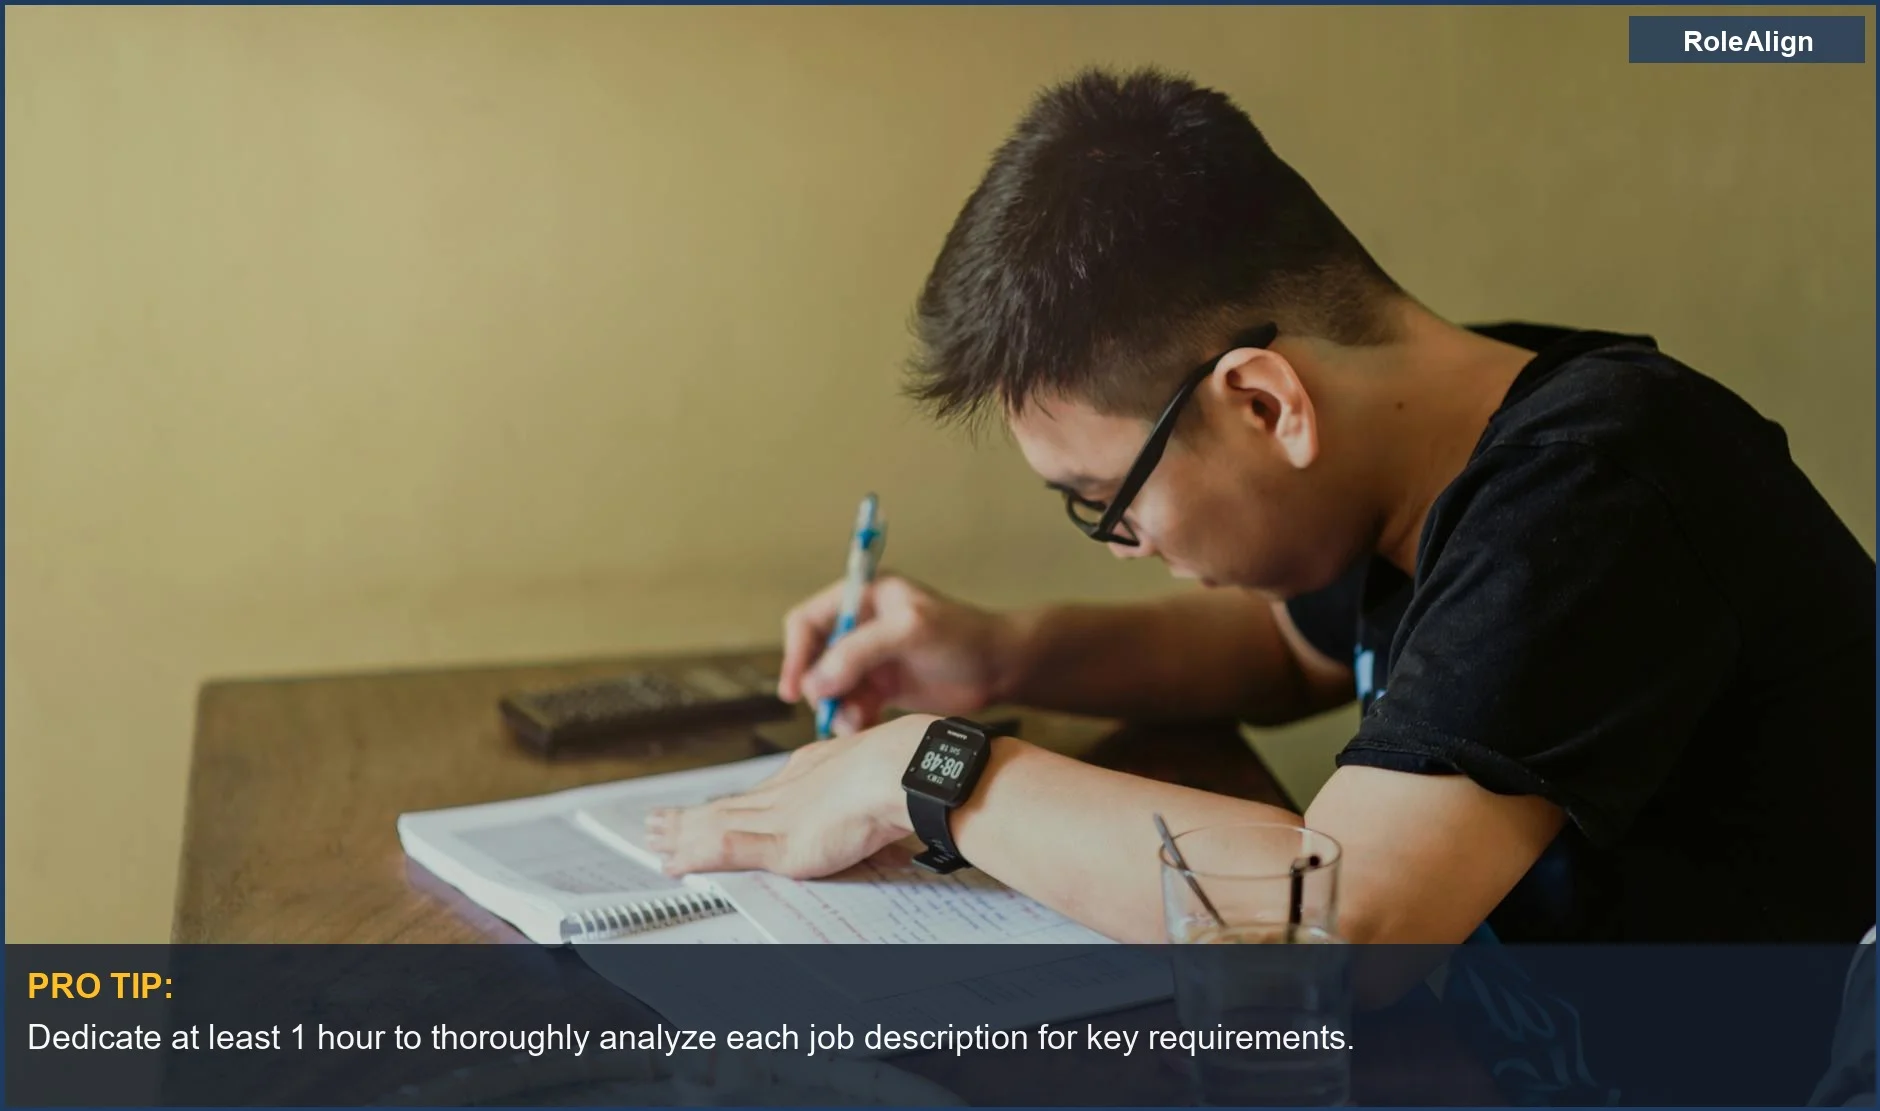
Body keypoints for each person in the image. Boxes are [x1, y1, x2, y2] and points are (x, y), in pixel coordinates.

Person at [646, 67, 1875, 948]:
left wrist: (924, 771)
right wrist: (1003, 653)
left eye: (1105, 503)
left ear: (1264, 403)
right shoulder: (1443, 428)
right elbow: (1292, 649)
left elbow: (1337, 920)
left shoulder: (1597, 489)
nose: (1132, 549)